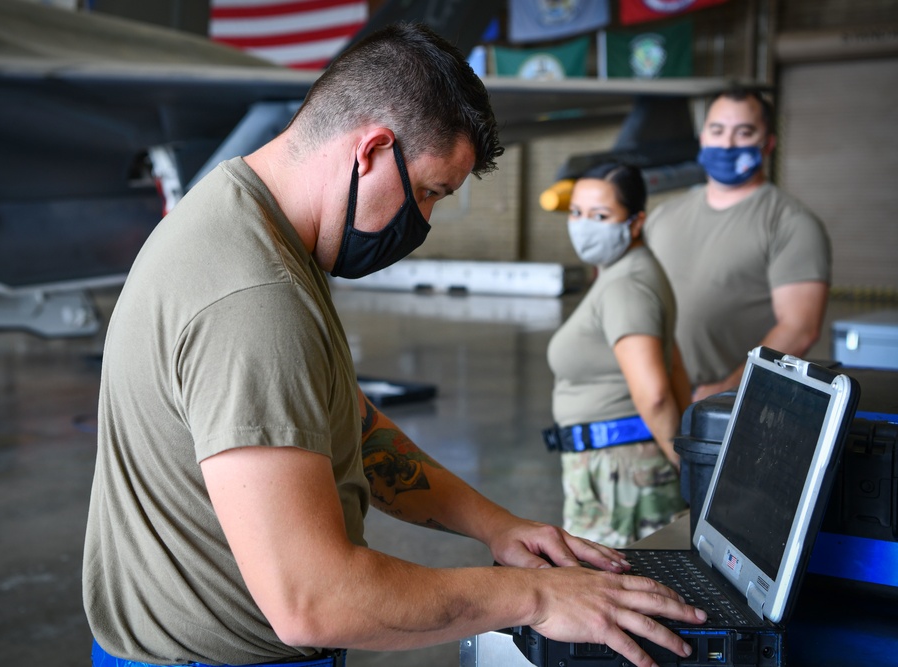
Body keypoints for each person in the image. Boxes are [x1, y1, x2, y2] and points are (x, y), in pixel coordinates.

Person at [83, 23, 706, 667]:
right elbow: (313, 601)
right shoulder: (254, 299)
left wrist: (499, 527)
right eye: (431, 192)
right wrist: (535, 596)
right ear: (371, 150)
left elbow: (347, 424)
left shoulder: (243, 216)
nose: (425, 222)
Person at [644, 88, 831, 401]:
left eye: (743, 132)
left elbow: (799, 328)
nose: (726, 144)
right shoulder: (662, 216)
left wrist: (727, 390)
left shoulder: (791, 223)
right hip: (651, 397)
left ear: (768, 143)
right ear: (702, 137)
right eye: (717, 130)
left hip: (726, 403)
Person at [545, 163, 690, 549]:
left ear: (636, 221)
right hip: (617, 468)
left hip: (620, 476)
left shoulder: (626, 285)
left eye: (601, 215)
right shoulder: (624, 271)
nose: (583, 224)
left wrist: (684, 463)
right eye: (576, 212)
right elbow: (672, 359)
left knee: (613, 585)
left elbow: (656, 392)